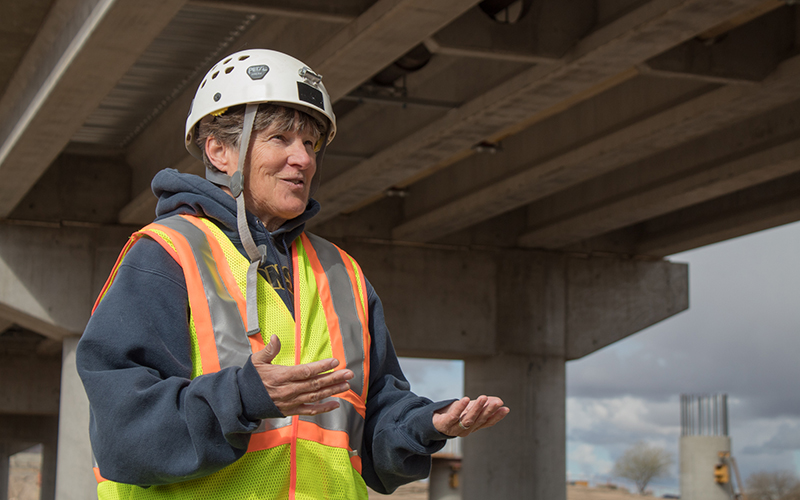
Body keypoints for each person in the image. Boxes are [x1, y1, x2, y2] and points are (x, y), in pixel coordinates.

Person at [77, 49, 509, 500]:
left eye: (310, 144)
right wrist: (242, 396)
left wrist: (425, 424)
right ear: (220, 151)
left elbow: (370, 427)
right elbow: (124, 434)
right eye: (280, 138)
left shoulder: (343, 273)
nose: (302, 159)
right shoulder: (168, 254)